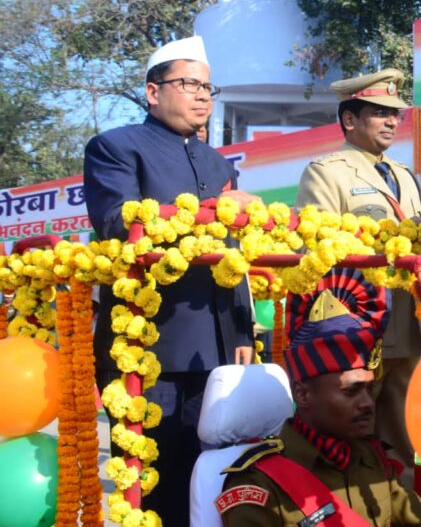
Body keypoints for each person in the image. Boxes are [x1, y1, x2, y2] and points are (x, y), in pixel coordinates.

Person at [83, 35, 258, 521]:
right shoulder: (115, 147)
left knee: (218, 482)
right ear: (153, 92)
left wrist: (243, 332)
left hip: (218, 350)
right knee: (157, 488)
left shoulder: (218, 163)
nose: (202, 95)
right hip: (151, 346)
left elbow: (232, 255)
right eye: (189, 84)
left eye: (207, 87)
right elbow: (117, 223)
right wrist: (211, 209)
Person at [294, 68, 421, 482]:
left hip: (408, 322)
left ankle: (399, 503)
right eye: (380, 112)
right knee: (350, 429)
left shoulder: (403, 174)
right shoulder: (326, 171)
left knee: (402, 435)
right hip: (356, 325)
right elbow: (317, 249)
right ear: (350, 119)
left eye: (395, 114)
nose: (392, 121)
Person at [218, 286, 421, 526]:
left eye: (369, 389)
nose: (367, 403)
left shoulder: (370, 457)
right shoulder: (259, 484)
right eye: (351, 391)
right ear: (303, 395)